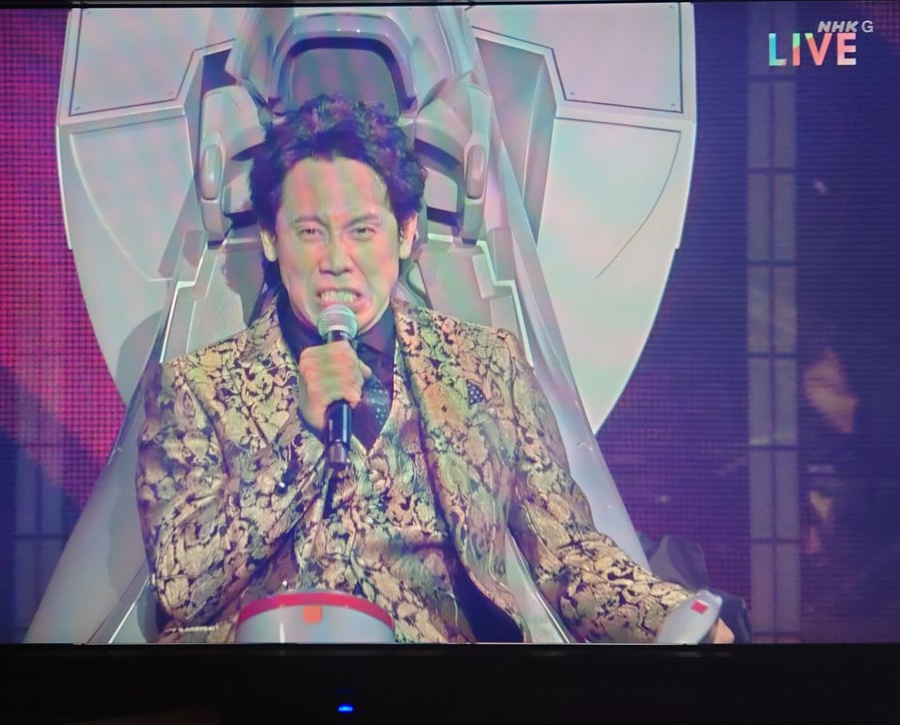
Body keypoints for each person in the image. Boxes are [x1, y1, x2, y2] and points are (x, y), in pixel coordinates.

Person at [136, 94, 733, 644]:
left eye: (362, 231)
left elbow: (567, 556)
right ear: (271, 239)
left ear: (405, 233)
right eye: (311, 232)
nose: (337, 260)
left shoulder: (487, 368)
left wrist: (673, 617)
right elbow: (183, 588)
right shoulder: (197, 387)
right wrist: (301, 441)